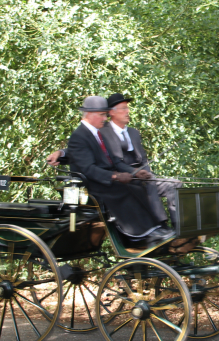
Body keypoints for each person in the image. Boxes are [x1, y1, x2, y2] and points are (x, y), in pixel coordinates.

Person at [47, 92, 182, 227]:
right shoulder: (102, 131)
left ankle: (176, 228)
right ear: (112, 112)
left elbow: (142, 160)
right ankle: (155, 227)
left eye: (127, 108)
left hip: (132, 174)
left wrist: (139, 173)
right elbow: (81, 153)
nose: (127, 112)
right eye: (123, 108)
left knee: (171, 184)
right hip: (113, 179)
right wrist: (60, 153)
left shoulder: (133, 133)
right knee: (137, 188)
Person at [65, 96, 174, 248]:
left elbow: (114, 162)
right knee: (125, 188)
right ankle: (140, 234)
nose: (105, 118)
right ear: (90, 114)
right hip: (93, 184)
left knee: (138, 184)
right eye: (102, 114)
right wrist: (114, 176)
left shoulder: (98, 133)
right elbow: (88, 169)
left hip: (104, 179)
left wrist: (135, 173)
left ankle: (155, 229)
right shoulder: (79, 136)